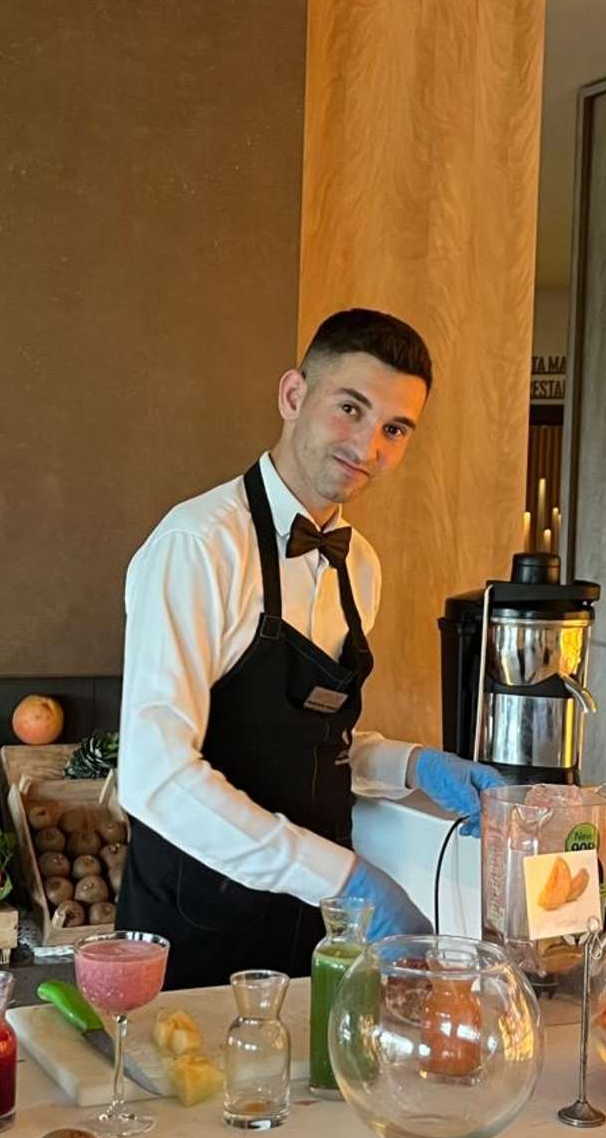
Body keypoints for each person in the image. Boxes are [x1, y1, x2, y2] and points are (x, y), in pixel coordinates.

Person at [114, 308, 504, 990]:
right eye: (350, 408)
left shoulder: (361, 567)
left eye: (394, 429)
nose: (368, 446)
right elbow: (157, 777)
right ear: (294, 395)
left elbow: (301, 739)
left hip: (315, 930)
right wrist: (345, 879)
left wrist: (411, 766)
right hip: (197, 925)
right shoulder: (198, 545)